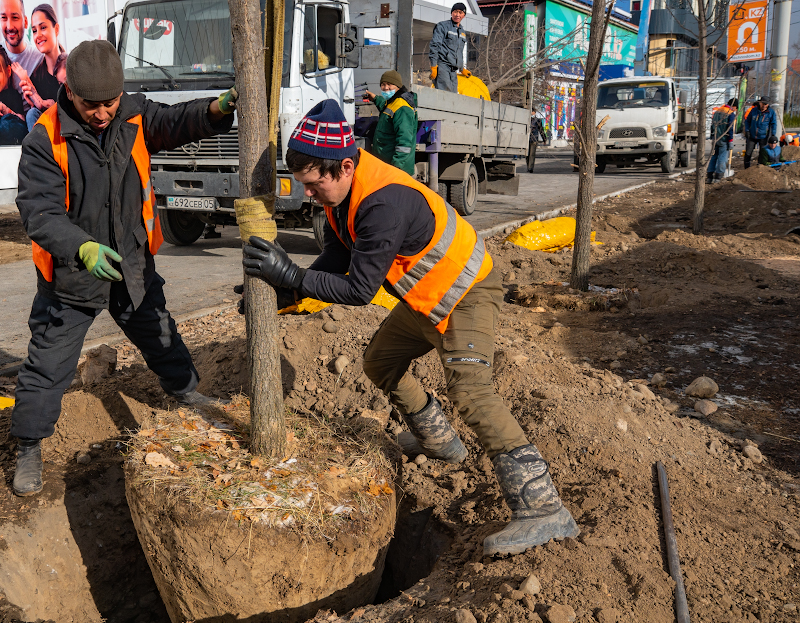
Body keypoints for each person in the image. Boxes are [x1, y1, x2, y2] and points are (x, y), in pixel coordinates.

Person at [240, 100, 579, 557]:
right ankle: (439, 441)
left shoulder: (382, 203)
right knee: (380, 362)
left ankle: (543, 508)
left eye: (314, 185)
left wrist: (293, 277)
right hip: (428, 297)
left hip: (466, 293)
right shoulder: (346, 194)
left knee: (471, 391)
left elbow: (360, 288)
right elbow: (339, 259)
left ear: (343, 166)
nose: (308, 196)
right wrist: (287, 293)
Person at [12, 40, 238, 497]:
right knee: (50, 360)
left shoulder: (132, 116)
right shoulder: (44, 138)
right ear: (69, 92)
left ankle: (185, 391)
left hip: (131, 262)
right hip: (74, 275)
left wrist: (214, 110)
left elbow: (175, 121)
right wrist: (82, 248)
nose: (102, 113)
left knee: (160, 332)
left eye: (110, 102)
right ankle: (29, 445)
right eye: (91, 105)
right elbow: (40, 213)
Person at [363, 70, 418, 175]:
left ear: (398, 86)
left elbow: (404, 142)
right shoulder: (393, 102)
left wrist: (397, 168)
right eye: (383, 84)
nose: (386, 88)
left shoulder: (402, 107)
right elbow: (385, 108)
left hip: (396, 170)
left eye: (389, 84)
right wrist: (375, 98)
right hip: (386, 166)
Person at [23, 4, 65, 130]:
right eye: (35, 30)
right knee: (31, 114)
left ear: (56, 29)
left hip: (72, 133)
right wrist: (32, 103)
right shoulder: (35, 77)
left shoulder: (71, 67)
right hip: (48, 138)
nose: (38, 35)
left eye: (43, 27)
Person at [429, 3, 470, 93]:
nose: (457, 14)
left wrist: (462, 68)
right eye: (455, 12)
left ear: (464, 15)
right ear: (451, 13)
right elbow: (435, 45)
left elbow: (459, 52)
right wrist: (433, 65)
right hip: (442, 67)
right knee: (445, 94)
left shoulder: (462, 32)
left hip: (453, 71)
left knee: (453, 96)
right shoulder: (442, 26)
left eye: (460, 12)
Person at [706, 97, 736, 184]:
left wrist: (713, 136)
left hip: (715, 138)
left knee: (714, 157)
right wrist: (730, 140)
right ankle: (718, 177)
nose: (735, 110)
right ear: (733, 106)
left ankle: (710, 176)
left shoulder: (717, 111)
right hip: (724, 139)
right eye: (735, 108)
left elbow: (712, 125)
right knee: (722, 157)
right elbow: (730, 128)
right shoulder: (730, 114)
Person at [744, 96, 776, 169]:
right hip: (752, 135)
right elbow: (747, 121)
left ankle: (760, 169)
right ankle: (746, 169)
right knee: (748, 153)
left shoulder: (771, 112)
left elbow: (773, 124)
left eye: (766, 104)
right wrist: (747, 130)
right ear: (760, 103)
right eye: (763, 104)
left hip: (763, 136)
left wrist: (773, 134)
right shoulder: (754, 110)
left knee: (762, 154)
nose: (764, 106)